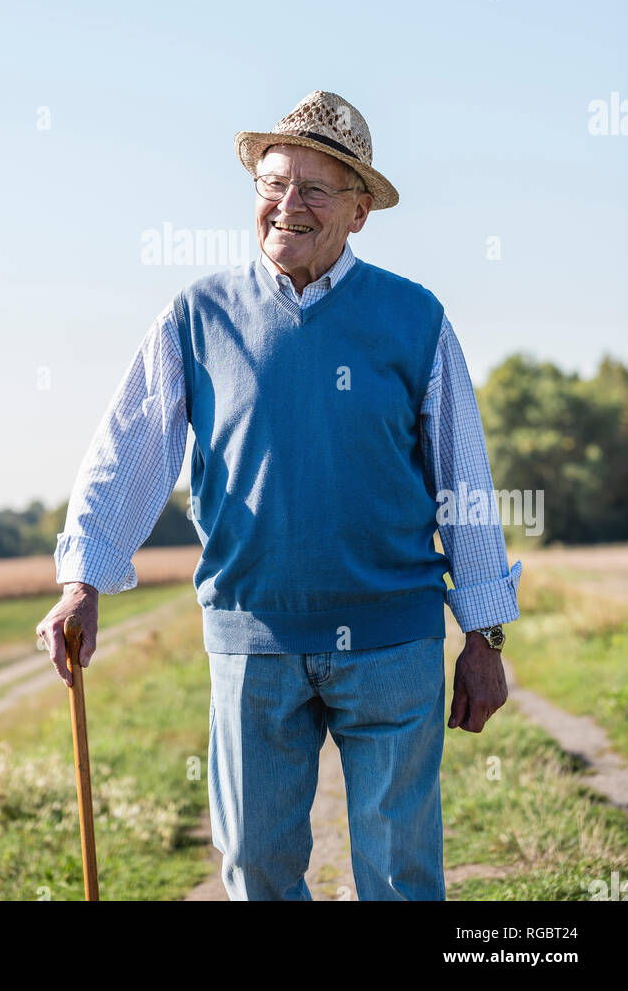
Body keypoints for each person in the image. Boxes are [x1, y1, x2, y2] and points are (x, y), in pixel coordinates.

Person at [36, 89, 522, 901]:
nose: (286, 205)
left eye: (314, 188)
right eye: (272, 183)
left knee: (400, 875)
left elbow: (461, 480)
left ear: (358, 211)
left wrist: (484, 637)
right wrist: (81, 583)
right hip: (251, 638)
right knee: (256, 871)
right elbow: (128, 453)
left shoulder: (415, 317)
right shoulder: (196, 316)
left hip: (392, 643)